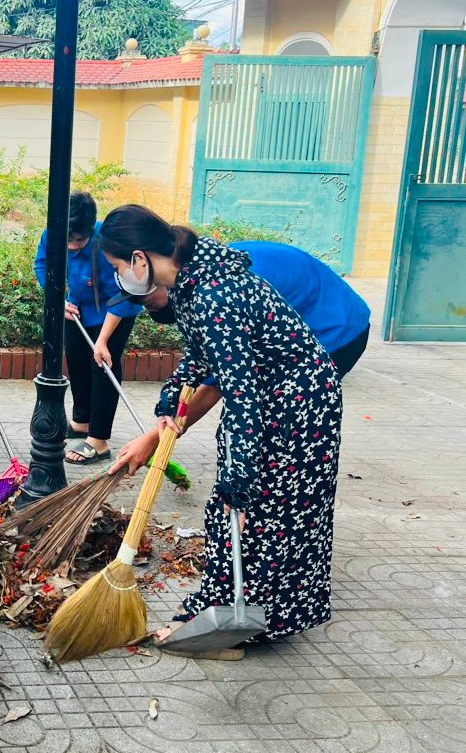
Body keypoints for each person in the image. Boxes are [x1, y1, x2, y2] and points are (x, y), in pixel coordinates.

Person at [99, 205, 342, 652]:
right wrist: (170, 403)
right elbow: (201, 356)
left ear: (138, 259)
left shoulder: (213, 293)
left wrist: (238, 480)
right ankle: (229, 607)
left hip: (295, 403)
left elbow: (242, 392)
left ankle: (246, 619)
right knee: (251, 509)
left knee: (260, 511)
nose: (121, 279)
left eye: (118, 268)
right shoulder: (194, 281)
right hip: (276, 394)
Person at [113, 240, 370, 472]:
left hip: (335, 328)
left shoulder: (219, 292)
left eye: (144, 298)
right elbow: (202, 359)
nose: (142, 305)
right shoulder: (200, 271)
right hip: (309, 318)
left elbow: (222, 384)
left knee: (278, 429)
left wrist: (153, 439)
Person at [33, 192, 143, 470]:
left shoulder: (109, 244)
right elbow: (43, 265)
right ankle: (81, 422)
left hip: (114, 311)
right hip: (78, 308)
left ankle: (98, 440)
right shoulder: (53, 233)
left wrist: (103, 340)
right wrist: (59, 299)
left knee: (102, 367)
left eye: (79, 240)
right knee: (78, 360)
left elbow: (122, 294)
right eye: (68, 239)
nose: (72, 246)